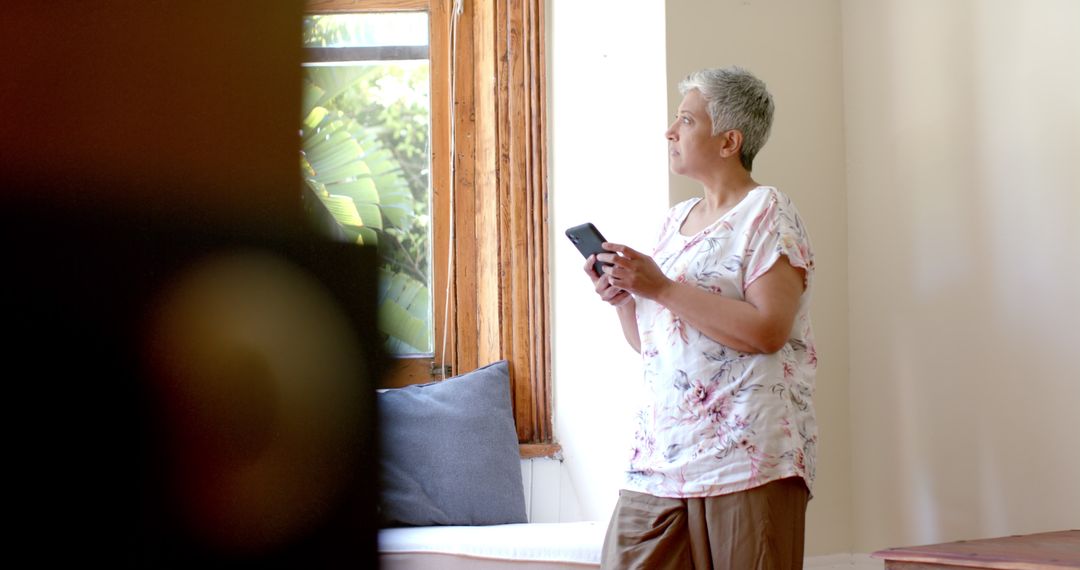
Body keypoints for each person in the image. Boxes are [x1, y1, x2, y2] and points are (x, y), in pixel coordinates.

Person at [584, 66, 817, 569]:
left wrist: (661, 286)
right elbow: (655, 344)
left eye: (686, 121)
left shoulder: (766, 211)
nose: (671, 131)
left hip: (746, 455)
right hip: (660, 456)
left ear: (729, 140)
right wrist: (627, 298)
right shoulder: (674, 222)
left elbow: (768, 330)